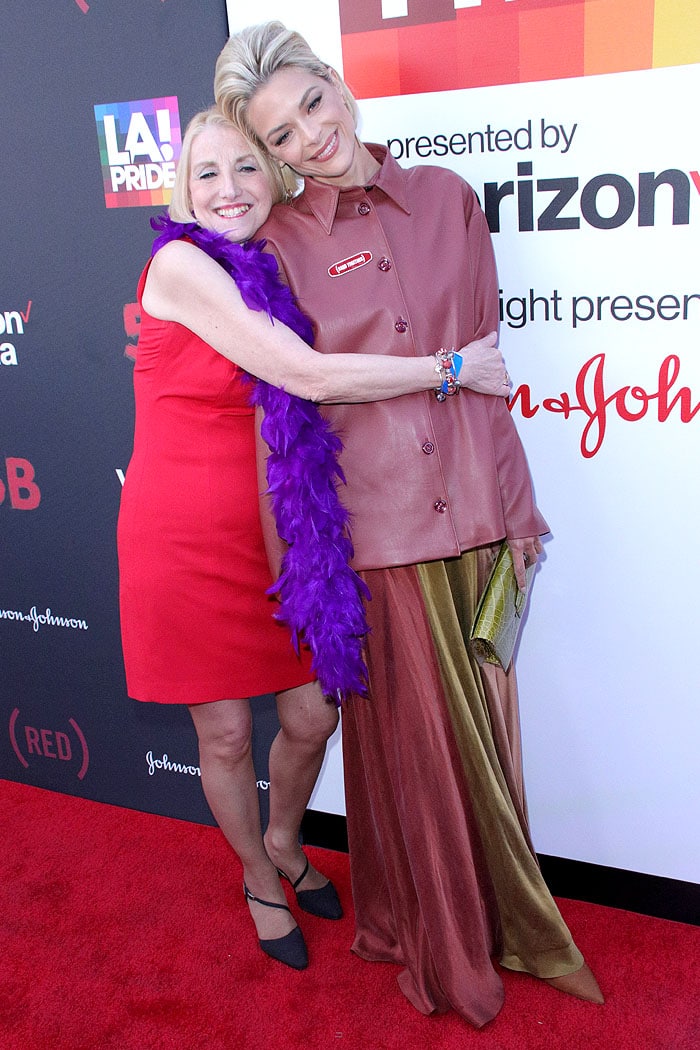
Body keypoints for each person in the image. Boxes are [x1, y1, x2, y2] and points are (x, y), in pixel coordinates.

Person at [214, 23, 604, 1025]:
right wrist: (302, 570)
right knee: (426, 763)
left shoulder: (446, 198)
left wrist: (516, 511)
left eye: (311, 104)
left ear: (335, 86)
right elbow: (290, 417)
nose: (311, 135)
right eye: (283, 136)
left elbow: (482, 370)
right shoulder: (275, 248)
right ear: (272, 159)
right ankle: (445, 946)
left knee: (489, 746)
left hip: (476, 515)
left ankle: (472, 917)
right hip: (378, 540)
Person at [117, 108, 506, 974]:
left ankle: (287, 837)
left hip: (274, 530)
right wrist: (450, 370)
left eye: (249, 168)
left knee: (309, 712)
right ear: (183, 189)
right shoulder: (180, 265)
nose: (229, 190)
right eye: (207, 173)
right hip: (182, 536)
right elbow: (301, 373)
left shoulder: (281, 262)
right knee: (222, 737)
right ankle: (258, 875)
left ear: (276, 178)